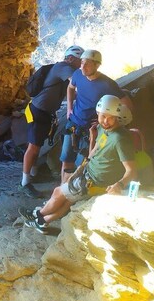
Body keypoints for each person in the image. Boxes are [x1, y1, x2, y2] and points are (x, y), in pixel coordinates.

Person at [21, 95, 136, 233]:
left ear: (117, 116)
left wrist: (120, 184)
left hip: (95, 181)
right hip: (89, 171)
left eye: (111, 117)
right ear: (98, 113)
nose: (106, 121)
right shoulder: (102, 129)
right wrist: (93, 138)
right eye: (103, 116)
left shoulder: (120, 138)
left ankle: (38, 215)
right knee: (68, 200)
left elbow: (131, 170)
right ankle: (42, 222)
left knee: (59, 192)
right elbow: (94, 152)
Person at [20, 45, 84, 197]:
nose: (81, 64)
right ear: (70, 58)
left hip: (45, 111)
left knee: (38, 144)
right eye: (79, 60)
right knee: (34, 147)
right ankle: (25, 183)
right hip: (38, 111)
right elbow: (77, 81)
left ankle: (33, 173)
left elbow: (70, 92)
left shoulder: (63, 70)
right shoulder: (63, 67)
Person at [61, 49, 133, 182]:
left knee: (84, 163)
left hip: (91, 130)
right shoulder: (77, 74)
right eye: (82, 62)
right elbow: (70, 88)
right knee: (66, 160)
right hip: (73, 122)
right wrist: (69, 107)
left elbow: (126, 105)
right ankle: (63, 190)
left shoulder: (107, 84)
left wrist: (107, 123)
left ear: (97, 65)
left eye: (87, 63)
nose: (83, 66)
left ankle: (74, 196)